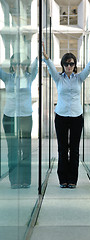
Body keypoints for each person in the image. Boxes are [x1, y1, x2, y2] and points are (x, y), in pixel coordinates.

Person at [42, 42, 90, 188]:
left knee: (74, 149)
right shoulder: (58, 78)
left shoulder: (79, 78)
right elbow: (50, 67)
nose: (69, 66)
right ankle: (63, 179)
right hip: (61, 116)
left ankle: (72, 180)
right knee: (62, 148)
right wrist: (45, 57)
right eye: (66, 64)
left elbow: (88, 68)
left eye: (72, 64)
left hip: (76, 117)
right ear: (62, 65)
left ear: (75, 65)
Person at [0, 53, 38, 189]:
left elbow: (36, 64)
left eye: (21, 64)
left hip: (25, 117)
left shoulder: (29, 78)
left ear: (25, 65)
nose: (18, 66)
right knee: (12, 149)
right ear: (12, 66)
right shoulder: (7, 78)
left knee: (25, 149)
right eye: (15, 64)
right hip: (10, 116)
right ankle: (14, 180)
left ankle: (25, 180)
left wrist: (40, 53)